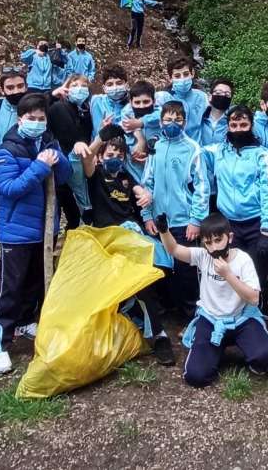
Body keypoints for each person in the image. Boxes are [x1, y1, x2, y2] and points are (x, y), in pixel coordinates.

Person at [0, 94, 72, 374]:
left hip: (44, 230)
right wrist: (39, 166)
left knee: (35, 282)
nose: (36, 123)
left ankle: (25, 321)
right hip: (16, 232)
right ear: (20, 119)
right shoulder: (6, 151)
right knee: (10, 288)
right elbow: (10, 189)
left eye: (41, 118)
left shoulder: (48, 143)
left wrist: (57, 158)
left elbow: (63, 177)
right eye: (31, 118)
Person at [81, 124, 176, 365]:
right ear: (102, 156)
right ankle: (154, 331)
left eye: (119, 155)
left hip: (132, 234)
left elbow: (138, 189)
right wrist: (100, 138)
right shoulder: (96, 175)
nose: (114, 158)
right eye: (109, 154)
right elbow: (87, 159)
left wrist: (144, 193)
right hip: (109, 237)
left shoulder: (125, 176)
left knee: (154, 271)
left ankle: (154, 326)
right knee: (136, 278)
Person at [157, 212, 268, 388]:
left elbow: (253, 298)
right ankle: (215, 351)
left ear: (230, 238)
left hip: (241, 318)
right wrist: (164, 230)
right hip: (211, 320)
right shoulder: (203, 256)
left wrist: (228, 275)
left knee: (265, 358)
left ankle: (236, 346)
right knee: (195, 376)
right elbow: (174, 249)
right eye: (208, 243)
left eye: (218, 240)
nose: (213, 247)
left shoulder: (243, 260)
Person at [203, 105, 268, 317]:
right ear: (228, 126)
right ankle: (233, 316)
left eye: (243, 124)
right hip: (229, 224)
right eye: (234, 125)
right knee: (232, 271)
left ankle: (259, 316)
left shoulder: (262, 155)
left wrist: (266, 230)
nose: (238, 129)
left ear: (251, 126)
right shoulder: (218, 152)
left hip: (257, 224)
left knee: (257, 274)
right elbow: (194, 154)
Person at [141, 101, 210, 320]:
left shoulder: (193, 148)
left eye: (177, 119)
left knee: (186, 272)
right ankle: (171, 313)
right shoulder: (155, 146)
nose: (172, 123)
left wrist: (196, 220)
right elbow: (147, 183)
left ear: (185, 122)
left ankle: (193, 318)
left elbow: (202, 187)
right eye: (168, 119)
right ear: (161, 121)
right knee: (164, 268)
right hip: (160, 221)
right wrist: (147, 215)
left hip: (184, 221)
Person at [48, 74, 94, 226]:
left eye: (83, 86)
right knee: (73, 210)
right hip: (66, 163)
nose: (79, 89)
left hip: (84, 161)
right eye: (74, 85)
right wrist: (51, 96)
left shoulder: (86, 110)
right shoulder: (58, 108)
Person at [120, 80, 159, 183]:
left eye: (146, 102)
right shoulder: (127, 114)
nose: (142, 106)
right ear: (130, 102)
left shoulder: (161, 116)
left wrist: (141, 122)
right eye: (137, 102)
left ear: (154, 101)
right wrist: (141, 140)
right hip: (135, 175)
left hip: (158, 171)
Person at [0, 66, 29, 150]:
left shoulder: (33, 110)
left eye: (20, 86)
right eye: (10, 88)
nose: (16, 91)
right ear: (2, 90)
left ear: (26, 87)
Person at [89, 65, 130, 138]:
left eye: (119, 83)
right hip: (98, 143)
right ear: (104, 88)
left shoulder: (135, 102)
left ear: (126, 85)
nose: (115, 87)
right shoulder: (97, 101)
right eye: (110, 84)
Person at [201, 78, 233, 146]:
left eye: (227, 94)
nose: (223, 96)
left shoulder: (233, 122)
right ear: (210, 96)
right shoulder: (199, 118)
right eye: (218, 93)